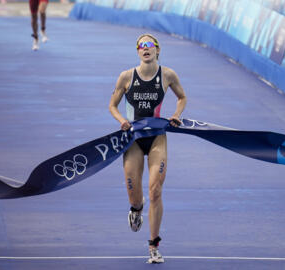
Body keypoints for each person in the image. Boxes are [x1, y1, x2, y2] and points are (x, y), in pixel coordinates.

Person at [109, 33, 187, 264]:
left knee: (155, 190)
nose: (145, 49)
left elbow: (182, 97)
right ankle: (136, 208)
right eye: (141, 46)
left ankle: (154, 245)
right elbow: (112, 105)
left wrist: (176, 114)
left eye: (149, 45)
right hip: (133, 138)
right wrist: (121, 120)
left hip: (157, 138)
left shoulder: (168, 75)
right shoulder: (126, 77)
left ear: (157, 50)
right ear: (137, 51)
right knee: (136, 196)